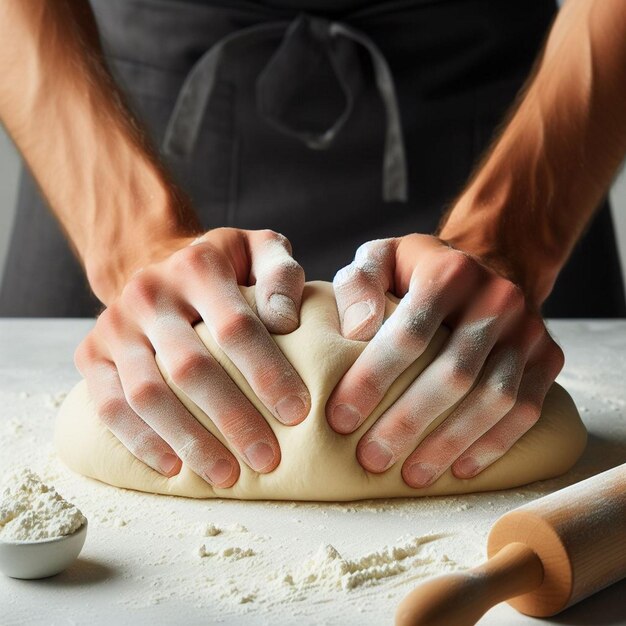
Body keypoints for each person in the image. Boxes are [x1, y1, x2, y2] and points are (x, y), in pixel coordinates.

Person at [1, 0, 625, 489]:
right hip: (107, 120)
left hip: (518, 122)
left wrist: (509, 236)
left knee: (504, 392)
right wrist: (133, 240)